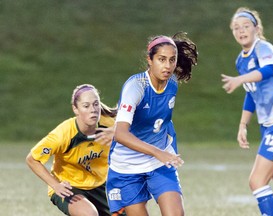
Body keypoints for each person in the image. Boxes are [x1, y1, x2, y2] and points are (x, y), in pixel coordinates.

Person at [106, 32, 198, 216]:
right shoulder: (136, 86)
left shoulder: (172, 83)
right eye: (161, 59)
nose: (168, 66)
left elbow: (160, 118)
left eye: (172, 60)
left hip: (158, 161)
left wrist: (164, 148)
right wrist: (159, 152)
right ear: (149, 59)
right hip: (127, 166)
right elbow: (120, 134)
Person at [221, 7, 273, 216]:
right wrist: (243, 125)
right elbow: (252, 93)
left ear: (256, 29)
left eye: (246, 26)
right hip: (268, 127)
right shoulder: (241, 60)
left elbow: (269, 70)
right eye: (236, 28)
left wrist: (240, 79)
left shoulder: (263, 48)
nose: (241, 30)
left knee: (256, 181)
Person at [26, 84, 125, 216]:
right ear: (75, 109)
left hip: (100, 184)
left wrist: (119, 132)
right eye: (86, 106)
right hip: (69, 187)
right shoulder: (63, 134)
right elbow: (32, 159)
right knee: (89, 214)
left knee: (133, 209)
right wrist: (55, 185)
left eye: (96, 104)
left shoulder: (110, 124)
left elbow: (139, 126)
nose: (93, 110)